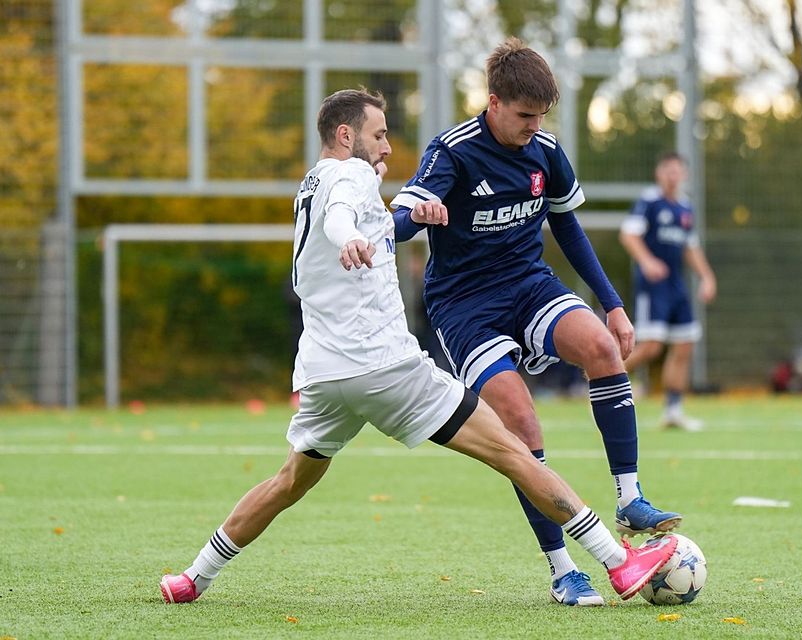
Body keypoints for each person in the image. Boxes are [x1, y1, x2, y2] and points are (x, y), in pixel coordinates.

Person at [159, 88, 678, 606]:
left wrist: (402, 222)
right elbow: (344, 217)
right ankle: (618, 561)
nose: (387, 148)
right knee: (513, 452)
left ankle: (194, 577)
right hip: (386, 369)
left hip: (322, 373)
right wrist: (349, 239)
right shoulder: (349, 175)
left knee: (289, 481)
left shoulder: (310, 183)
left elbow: (366, 220)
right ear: (346, 136)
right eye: (379, 135)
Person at [389, 38, 681, 606]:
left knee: (601, 346)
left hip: (528, 285)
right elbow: (402, 219)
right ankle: (563, 570)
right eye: (524, 116)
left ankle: (629, 497)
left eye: (540, 117)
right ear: (493, 102)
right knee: (521, 424)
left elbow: (568, 228)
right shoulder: (451, 151)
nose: (532, 126)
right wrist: (412, 215)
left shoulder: (545, 151)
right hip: (465, 305)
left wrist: (613, 302)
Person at [619, 152, 717, 431]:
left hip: (676, 286)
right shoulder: (649, 202)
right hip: (653, 287)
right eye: (667, 171)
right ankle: (603, 381)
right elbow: (628, 234)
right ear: (658, 174)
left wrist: (707, 277)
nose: (673, 176)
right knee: (651, 347)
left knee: (685, 345)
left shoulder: (685, 208)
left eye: (677, 171)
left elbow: (690, 247)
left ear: (684, 175)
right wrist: (647, 261)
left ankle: (673, 410)